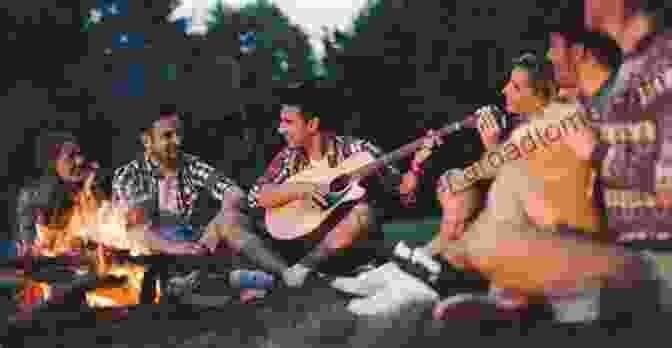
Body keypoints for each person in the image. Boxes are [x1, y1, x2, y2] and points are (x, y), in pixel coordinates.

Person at [247, 81, 433, 288]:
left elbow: (403, 191)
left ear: (312, 125)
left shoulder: (358, 151)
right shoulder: (287, 158)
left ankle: (303, 270)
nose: (280, 129)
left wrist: (417, 166)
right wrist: (304, 189)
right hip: (302, 241)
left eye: (288, 122)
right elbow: (258, 196)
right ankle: (304, 272)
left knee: (362, 213)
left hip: (348, 245)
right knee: (241, 223)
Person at [111, 105, 291, 302]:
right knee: (183, 266)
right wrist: (179, 248)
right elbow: (138, 232)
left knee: (231, 218)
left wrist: (222, 217)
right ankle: (239, 284)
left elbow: (234, 192)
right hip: (156, 255)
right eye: (168, 136)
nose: (177, 141)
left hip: (194, 245)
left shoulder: (189, 164)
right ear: (147, 141)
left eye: (179, 134)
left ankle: (289, 274)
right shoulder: (129, 175)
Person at [561, 0, 672, 314]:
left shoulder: (664, 63)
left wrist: (594, 151)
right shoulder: (632, 65)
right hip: (631, 262)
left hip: (660, 269)